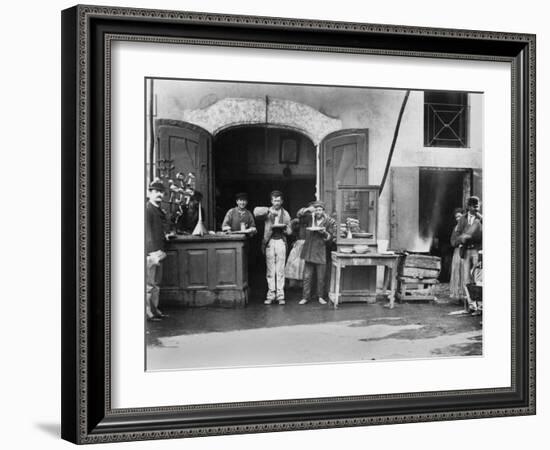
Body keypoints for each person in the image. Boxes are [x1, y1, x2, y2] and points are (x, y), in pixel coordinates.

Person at [254, 190, 292, 305]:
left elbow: (290, 231)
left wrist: (285, 228)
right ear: (271, 201)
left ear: (282, 201)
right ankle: (271, 294)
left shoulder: (285, 214)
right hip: (270, 242)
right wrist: (268, 210)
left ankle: (280, 295)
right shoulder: (267, 212)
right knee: (270, 270)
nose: (277, 203)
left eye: (279, 200)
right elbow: (256, 212)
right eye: (274, 200)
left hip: (281, 241)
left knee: (280, 270)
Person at [298, 201, 334, 305]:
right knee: (307, 276)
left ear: (323, 211)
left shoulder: (328, 222)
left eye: (320, 210)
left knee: (321, 277)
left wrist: (325, 233)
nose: (318, 212)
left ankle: (321, 297)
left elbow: (330, 237)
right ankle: (305, 297)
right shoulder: (309, 218)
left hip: (321, 252)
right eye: (316, 210)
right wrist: (307, 209)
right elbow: (299, 215)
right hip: (309, 250)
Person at [145, 180, 169, 321]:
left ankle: (155, 310)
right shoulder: (147, 209)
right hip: (151, 252)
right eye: (156, 191)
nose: (159, 194)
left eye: (161, 192)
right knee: (149, 285)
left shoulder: (158, 210)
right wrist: (151, 252)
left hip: (159, 251)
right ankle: (148, 313)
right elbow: (146, 233)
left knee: (156, 285)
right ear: (149, 193)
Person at [456, 196, 483, 314]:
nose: (477, 208)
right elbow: (457, 233)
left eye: (478, 206)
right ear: (469, 207)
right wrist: (460, 239)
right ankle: (472, 305)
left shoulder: (482, 219)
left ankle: (481, 306)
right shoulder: (462, 219)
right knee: (467, 278)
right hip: (467, 251)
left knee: (478, 278)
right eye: (474, 206)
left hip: (478, 251)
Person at [449, 208, 464, 302]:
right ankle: (456, 295)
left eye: (459, 216)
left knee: (464, 272)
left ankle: (464, 296)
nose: (458, 218)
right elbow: (452, 241)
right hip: (457, 251)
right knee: (456, 272)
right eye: (456, 217)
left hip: (465, 252)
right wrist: (458, 242)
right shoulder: (455, 228)